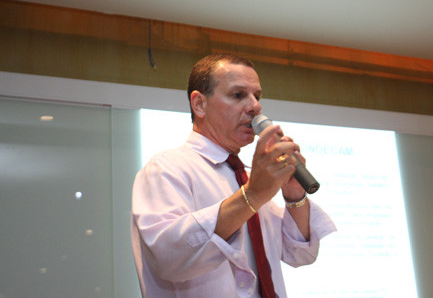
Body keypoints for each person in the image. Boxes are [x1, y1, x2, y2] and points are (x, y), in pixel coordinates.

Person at [131, 53, 336, 297]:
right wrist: (253, 195)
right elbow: (167, 257)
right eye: (238, 95)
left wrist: (294, 196)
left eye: (257, 96)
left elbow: (300, 254)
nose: (255, 106)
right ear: (199, 104)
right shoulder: (166, 168)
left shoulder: (249, 179)